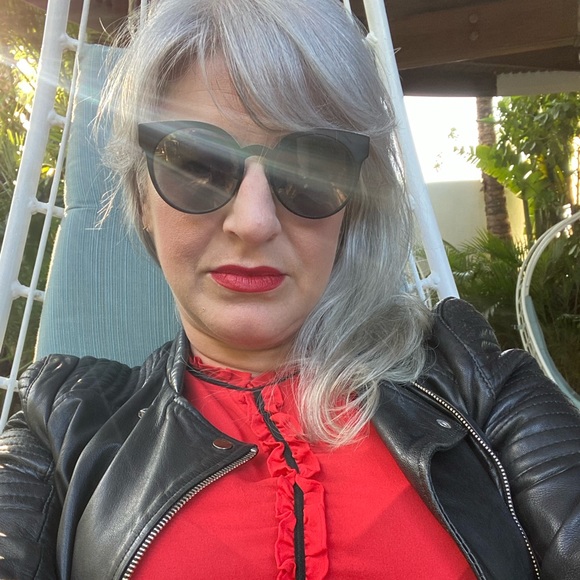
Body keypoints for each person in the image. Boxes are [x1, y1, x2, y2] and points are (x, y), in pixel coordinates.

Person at [1, 0, 579, 578]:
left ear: (352, 207)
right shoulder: (62, 420)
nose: (253, 223)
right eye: (197, 163)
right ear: (141, 197)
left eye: (309, 168)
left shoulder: (476, 383)